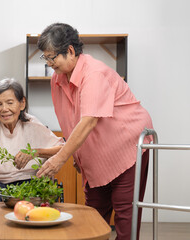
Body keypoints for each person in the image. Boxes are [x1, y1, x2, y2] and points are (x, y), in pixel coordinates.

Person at [35, 23, 153, 240]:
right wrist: (77, 155)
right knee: (94, 214)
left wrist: (60, 158)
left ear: (70, 50)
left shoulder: (94, 73)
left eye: (52, 58)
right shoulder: (57, 79)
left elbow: (88, 121)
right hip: (97, 151)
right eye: (46, 58)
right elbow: (69, 119)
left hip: (127, 145)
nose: (50, 64)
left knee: (125, 214)